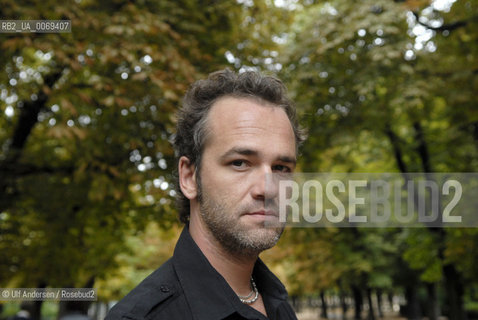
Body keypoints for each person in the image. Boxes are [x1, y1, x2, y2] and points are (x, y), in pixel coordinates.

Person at [105, 69, 305, 320]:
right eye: (240, 163)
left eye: (281, 168)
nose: (268, 189)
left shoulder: (277, 304)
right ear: (189, 177)